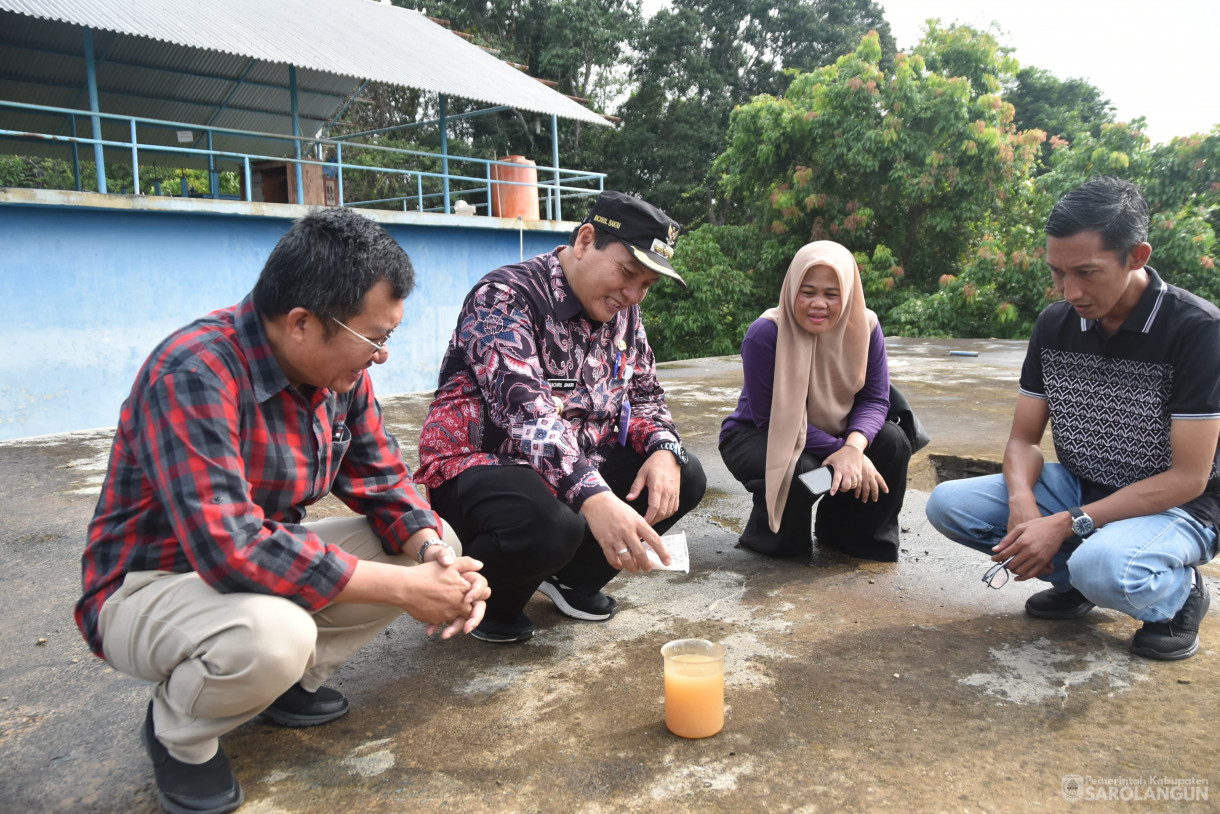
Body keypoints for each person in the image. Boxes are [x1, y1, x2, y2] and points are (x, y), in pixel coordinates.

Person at [76, 208, 490, 814]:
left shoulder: (338, 376)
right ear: (301, 324)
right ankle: (180, 732)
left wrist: (431, 555)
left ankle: (280, 685)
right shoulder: (195, 372)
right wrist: (406, 590)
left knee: (430, 539)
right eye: (375, 337)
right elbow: (232, 548)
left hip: (248, 572)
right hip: (149, 586)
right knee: (275, 636)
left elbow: (383, 479)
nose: (381, 356)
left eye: (388, 337)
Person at [926, 177, 1220, 661]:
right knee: (949, 506)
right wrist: (1022, 502)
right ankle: (1078, 579)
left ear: (1137, 256)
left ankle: (1176, 597)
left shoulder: (1196, 330)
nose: (1070, 291)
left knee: (1106, 568)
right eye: (1058, 273)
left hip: (1178, 508)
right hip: (1084, 485)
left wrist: (1064, 524)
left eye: (1086, 272)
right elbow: (1023, 440)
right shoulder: (1056, 323)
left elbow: (1189, 478)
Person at [417, 190, 708, 644]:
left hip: (570, 467)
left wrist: (663, 448)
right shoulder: (504, 297)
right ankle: (490, 601)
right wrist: (594, 496)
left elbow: (646, 393)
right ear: (586, 240)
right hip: (480, 469)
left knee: (683, 474)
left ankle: (572, 579)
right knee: (556, 518)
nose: (633, 295)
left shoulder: (625, 314)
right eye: (628, 273)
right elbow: (526, 414)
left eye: (647, 286)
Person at [719, 240, 911, 561]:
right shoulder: (766, 334)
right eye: (807, 292)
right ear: (791, 289)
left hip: (835, 433)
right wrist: (841, 452)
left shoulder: (866, 326)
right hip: (760, 435)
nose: (818, 303)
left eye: (831, 294)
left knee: (892, 443)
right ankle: (772, 536)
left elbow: (876, 399)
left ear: (847, 294)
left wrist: (853, 448)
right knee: (803, 472)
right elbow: (773, 419)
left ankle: (847, 533)